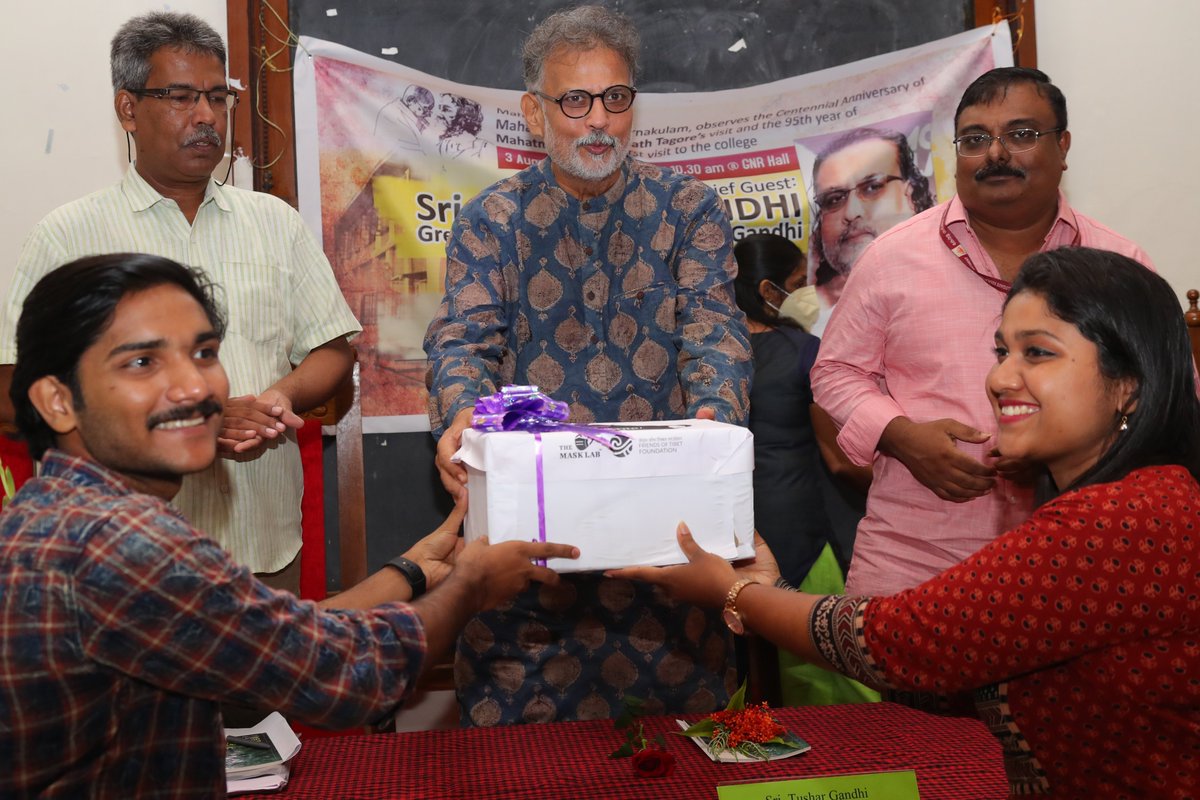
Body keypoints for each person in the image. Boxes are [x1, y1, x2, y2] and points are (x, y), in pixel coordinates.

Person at [621, 247, 1200, 799]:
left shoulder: (1121, 521)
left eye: (1038, 353)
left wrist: (738, 591)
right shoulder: (1132, 503)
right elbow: (959, 664)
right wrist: (763, 590)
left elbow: (897, 641)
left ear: (1129, 384)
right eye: (1002, 352)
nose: (1000, 380)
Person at [0, 253, 578, 799]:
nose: (196, 388)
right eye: (143, 363)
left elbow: (268, 633)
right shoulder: (121, 542)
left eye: (204, 353)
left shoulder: (58, 510)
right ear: (56, 401)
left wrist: (415, 570)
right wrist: (471, 586)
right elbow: (350, 674)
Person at [423, 5, 752, 726]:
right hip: (530, 564)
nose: (598, 120)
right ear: (535, 116)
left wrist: (713, 434)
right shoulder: (491, 220)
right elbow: (462, 344)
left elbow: (715, 333)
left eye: (616, 98)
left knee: (680, 760)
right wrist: (458, 418)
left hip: (664, 555)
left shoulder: (689, 208)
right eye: (575, 101)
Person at [0, 11, 361, 593]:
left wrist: (274, 402)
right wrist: (185, 419)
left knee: (268, 681)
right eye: (180, 97)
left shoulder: (274, 223)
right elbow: (13, 387)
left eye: (218, 97)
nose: (205, 116)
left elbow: (332, 350)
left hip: (261, 544)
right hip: (118, 555)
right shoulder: (67, 235)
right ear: (127, 109)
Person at [811, 67, 1154, 596]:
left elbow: (1168, 398)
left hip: (1086, 568)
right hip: (919, 565)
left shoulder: (1119, 265)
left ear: (1062, 146)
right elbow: (834, 372)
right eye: (975, 139)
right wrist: (902, 437)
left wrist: (1073, 451)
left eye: (1021, 135)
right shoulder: (891, 257)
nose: (995, 154)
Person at [731, 233, 832, 585]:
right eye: (798, 283)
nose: (807, 292)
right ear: (768, 291)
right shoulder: (803, 349)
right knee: (798, 624)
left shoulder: (713, 353)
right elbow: (837, 457)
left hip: (729, 517)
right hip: (795, 516)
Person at [808, 127, 934, 334]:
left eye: (872, 187)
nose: (851, 212)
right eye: (833, 199)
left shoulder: (961, 285)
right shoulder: (806, 327)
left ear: (911, 194)